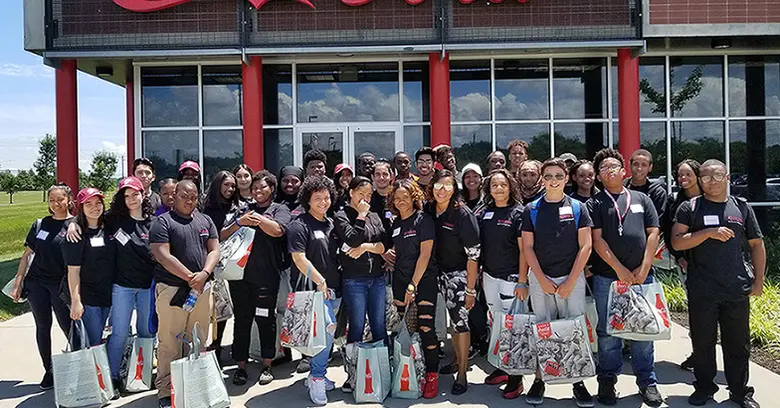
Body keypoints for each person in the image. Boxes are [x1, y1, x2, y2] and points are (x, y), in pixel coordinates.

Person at [671, 159, 765, 408]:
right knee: (702, 343)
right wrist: (707, 233)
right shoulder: (689, 208)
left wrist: (759, 279)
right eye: (706, 177)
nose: (712, 181)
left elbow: (757, 244)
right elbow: (678, 242)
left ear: (727, 178)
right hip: (702, 288)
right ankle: (704, 387)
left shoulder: (741, 208)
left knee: (738, 343)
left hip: (735, 287)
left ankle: (740, 391)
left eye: (717, 176)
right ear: (699, 180)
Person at [588, 148, 663, 407]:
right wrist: (619, 269)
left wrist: (644, 267)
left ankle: (647, 381)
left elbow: (653, 232)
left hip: (643, 276)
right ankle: (607, 380)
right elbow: (596, 240)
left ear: (624, 171)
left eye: (614, 167)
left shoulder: (642, 198)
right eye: (604, 168)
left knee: (644, 330)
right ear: (598, 176)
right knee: (608, 332)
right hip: (608, 277)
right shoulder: (594, 204)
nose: (610, 171)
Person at [520, 159, 594, 407]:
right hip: (541, 279)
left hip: (571, 278)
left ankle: (578, 381)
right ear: (542, 179)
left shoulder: (577, 207)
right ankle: (540, 380)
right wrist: (540, 279)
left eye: (558, 176)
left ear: (566, 178)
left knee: (574, 330)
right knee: (543, 329)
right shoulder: (531, 209)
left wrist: (571, 280)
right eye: (548, 176)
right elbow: (527, 247)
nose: (553, 180)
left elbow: (586, 246)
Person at [150, 180, 220, 408]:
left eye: (193, 196)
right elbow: (162, 255)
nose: (189, 200)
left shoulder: (205, 220)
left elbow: (214, 249)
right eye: (184, 196)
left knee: (198, 340)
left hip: (201, 290)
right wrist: (192, 277)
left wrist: (205, 274)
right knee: (170, 341)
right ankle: (165, 392)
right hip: (172, 290)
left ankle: (192, 386)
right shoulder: (162, 222)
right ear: (174, 196)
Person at [221, 170, 291, 386]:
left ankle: (267, 364)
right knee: (242, 321)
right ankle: (240, 366)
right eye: (255, 188)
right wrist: (240, 222)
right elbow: (223, 235)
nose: (258, 191)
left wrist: (259, 219)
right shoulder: (243, 210)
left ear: (272, 188)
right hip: (240, 277)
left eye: (263, 187)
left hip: (267, 277)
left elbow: (278, 231)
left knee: (266, 320)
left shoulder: (280, 209)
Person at [9, 183, 75, 390]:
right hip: (36, 283)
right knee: (42, 326)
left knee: (69, 327)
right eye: (52, 200)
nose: (56, 203)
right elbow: (27, 255)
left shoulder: (75, 224)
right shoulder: (41, 224)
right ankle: (49, 370)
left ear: (69, 200)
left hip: (60, 285)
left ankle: (79, 367)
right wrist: (19, 282)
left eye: (60, 199)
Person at [331, 176, 391, 392]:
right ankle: (352, 375)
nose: (365, 199)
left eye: (368, 195)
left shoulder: (376, 216)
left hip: (376, 278)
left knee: (379, 326)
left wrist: (366, 247)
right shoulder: (341, 215)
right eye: (361, 194)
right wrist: (362, 216)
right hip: (354, 280)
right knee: (355, 327)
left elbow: (385, 245)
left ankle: (383, 371)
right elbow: (351, 239)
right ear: (351, 193)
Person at [286, 176, 340, 406]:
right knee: (326, 330)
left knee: (324, 335)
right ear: (307, 199)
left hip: (335, 287)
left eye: (326, 197)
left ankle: (318, 373)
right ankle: (317, 376)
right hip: (315, 289)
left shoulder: (331, 223)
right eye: (317, 198)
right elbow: (299, 258)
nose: (323, 202)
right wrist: (320, 281)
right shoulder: (299, 225)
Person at [98, 177, 156, 390]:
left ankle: (142, 376)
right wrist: (75, 225)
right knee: (120, 332)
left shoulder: (154, 223)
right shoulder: (114, 220)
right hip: (122, 286)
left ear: (143, 195)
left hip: (147, 288)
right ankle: (112, 376)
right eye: (126, 195)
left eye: (135, 194)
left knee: (146, 332)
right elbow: (88, 219)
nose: (131, 199)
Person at [428, 169, 480, 395]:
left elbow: (473, 255)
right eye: (438, 186)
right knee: (451, 323)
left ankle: (462, 374)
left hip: (459, 275)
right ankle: (458, 360)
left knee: (460, 323)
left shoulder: (462, 214)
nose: (442, 190)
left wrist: (470, 289)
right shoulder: (430, 211)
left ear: (454, 189)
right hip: (437, 273)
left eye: (447, 186)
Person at [387, 179, 440, 398]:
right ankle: (411, 372)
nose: (401, 202)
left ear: (414, 198)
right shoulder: (396, 223)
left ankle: (432, 375)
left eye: (405, 198)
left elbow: (425, 254)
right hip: (400, 282)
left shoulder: (423, 220)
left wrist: (413, 284)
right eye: (397, 198)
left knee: (426, 328)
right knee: (406, 330)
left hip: (423, 281)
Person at [476, 168, 526, 399]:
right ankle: (504, 367)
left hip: (512, 279)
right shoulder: (484, 213)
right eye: (494, 185)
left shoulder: (518, 213)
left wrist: (523, 280)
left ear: (510, 187)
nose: (498, 189)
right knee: (496, 323)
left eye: (503, 185)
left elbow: (525, 250)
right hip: (490, 277)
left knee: (513, 326)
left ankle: (516, 378)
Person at [63, 187, 114, 347]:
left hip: (109, 294)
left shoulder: (109, 227)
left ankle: (103, 371)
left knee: (104, 338)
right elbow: (73, 271)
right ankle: (94, 372)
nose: (95, 207)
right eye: (88, 204)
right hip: (89, 296)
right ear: (81, 208)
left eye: (98, 203)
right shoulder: (76, 235)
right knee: (94, 342)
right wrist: (76, 301)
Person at [666, 159, 701, 372]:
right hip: (687, 263)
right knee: (696, 311)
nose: (683, 179)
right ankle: (698, 354)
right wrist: (678, 254)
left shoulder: (710, 198)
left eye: (688, 174)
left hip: (714, 262)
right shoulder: (675, 200)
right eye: (680, 175)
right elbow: (668, 229)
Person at [202, 171, 240, 362]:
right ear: (217, 185)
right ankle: (216, 346)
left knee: (237, 308)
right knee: (219, 309)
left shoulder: (238, 207)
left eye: (233, 186)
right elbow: (214, 237)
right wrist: (236, 225)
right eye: (226, 185)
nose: (230, 189)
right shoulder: (205, 210)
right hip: (215, 264)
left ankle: (238, 347)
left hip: (237, 263)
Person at [625, 149, 668, 229]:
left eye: (644, 165)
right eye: (636, 164)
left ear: (650, 167)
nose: (639, 169)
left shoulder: (657, 192)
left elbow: (658, 223)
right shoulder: (622, 187)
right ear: (630, 165)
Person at [370, 158, 395, 232]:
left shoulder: (397, 198)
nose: (381, 178)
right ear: (372, 177)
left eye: (385, 174)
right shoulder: (368, 200)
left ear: (391, 176)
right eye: (377, 174)